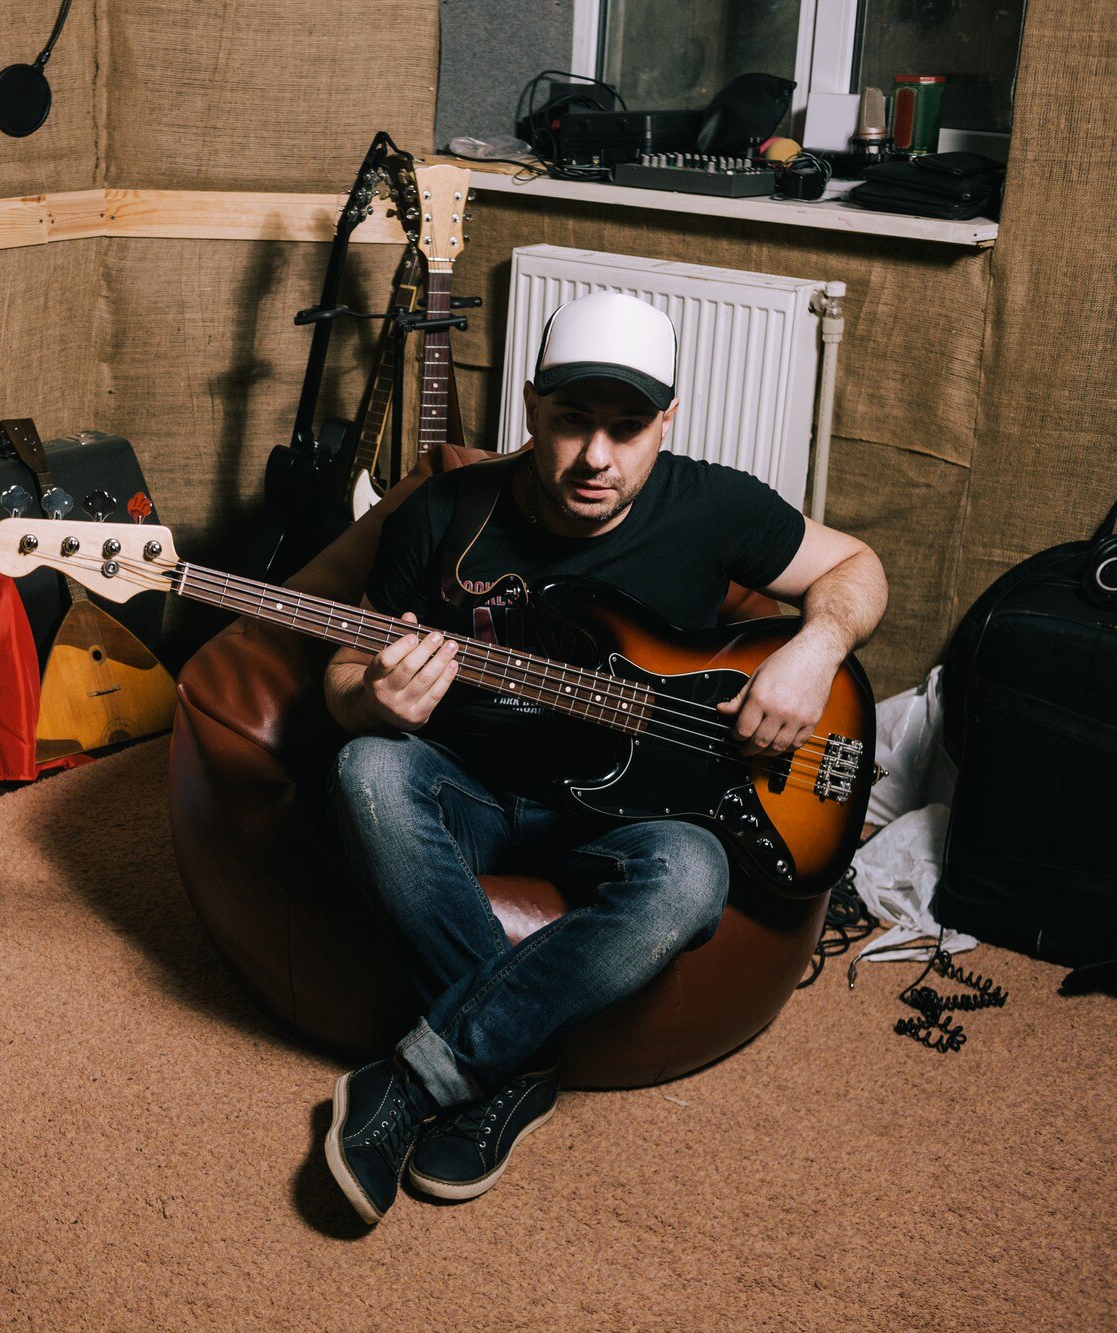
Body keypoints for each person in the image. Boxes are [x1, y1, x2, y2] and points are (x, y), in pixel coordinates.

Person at [320, 290, 887, 1225]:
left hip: (627, 815)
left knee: (692, 877)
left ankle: (421, 1078)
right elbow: (347, 665)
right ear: (531, 405)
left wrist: (815, 648)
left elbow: (856, 566)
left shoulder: (712, 504)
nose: (595, 457)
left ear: (668, 421)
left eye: (627, 429)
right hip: (469, 786)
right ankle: (514, 1064)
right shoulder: (446, 510)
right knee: (366, 770)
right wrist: (369, 698)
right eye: (572, 421)